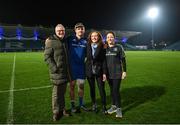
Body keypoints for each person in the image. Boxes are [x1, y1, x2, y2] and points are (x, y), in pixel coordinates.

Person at [44, 24, 71, 121]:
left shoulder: (65, 41)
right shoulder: (50, 41)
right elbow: (47, 57)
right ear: (55, 31)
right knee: (56, 94)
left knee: (62, 93)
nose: (61, 32)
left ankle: (63, 110)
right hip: (57, 73)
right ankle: (56, 112)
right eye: (59, 30)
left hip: (65, 73)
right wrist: (54, 69)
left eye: (63, 30)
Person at [104, 31, 127, 118]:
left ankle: (119, 109)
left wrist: (124, 71)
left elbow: (123, 60)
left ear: (114, 38)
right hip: (109, 74)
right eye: (108, 37)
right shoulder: (105, 48)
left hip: (117, 73)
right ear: (106, 39)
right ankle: (113, 106)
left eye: (111, 37)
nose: (110, 38)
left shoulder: (119, 47)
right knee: (112, 90)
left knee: (116, 91)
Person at [67, 22, 88, 112]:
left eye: (82, 28)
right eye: (78, 28)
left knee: (81, 86)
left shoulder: (86, 41)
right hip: (71, 67)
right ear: (75, 30)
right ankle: (73, 106)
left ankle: (81, 104)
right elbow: (59, 39)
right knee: (71, 86)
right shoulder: (69, 39)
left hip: (81, 68)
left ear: (84, 30)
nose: (80, 30)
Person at [86, 31, 107, 114]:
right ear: (90, 38)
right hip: (89, 70)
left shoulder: (102, 46)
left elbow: (104, 60)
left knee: (101, 89)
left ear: (99, 37)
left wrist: (104, 72)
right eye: (92, 36)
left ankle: (104, 106)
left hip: (99, 70)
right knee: (92, 89)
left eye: (96, 36)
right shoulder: (87, 45)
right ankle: (94, 104)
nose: (94, 38)